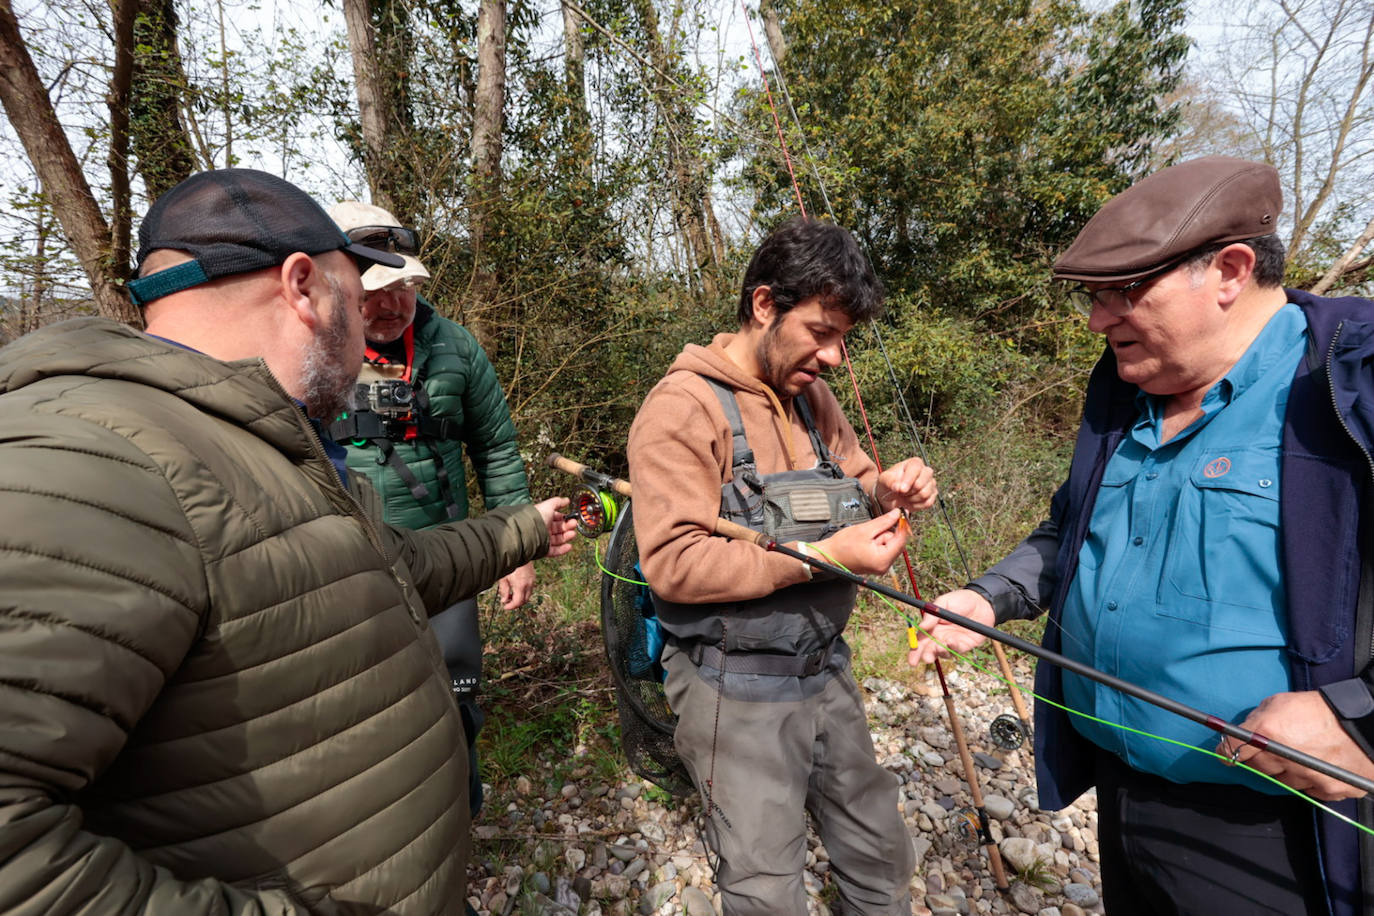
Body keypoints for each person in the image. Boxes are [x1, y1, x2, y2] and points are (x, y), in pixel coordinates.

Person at [0, 168, 576, 913]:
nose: (373, 315)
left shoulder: (253, 438)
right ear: (304, 286)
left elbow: (384, 566)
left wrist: (522, 528)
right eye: (354, 292)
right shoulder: (88, 459)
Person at [911, 155, 1374, 916]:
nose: (1097, 321)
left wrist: (1360, 720)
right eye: (1093, 300)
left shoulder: (1351, 384)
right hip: (1124, 805)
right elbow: (1070, 533)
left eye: (1122, 293)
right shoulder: (1127, 391)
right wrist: (988, 598)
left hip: (1278, 838)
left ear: (1229, 270)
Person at [627, 217, 939, 915]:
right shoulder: (678, 410)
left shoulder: (812, 397)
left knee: (881, 851)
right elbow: (674, 564)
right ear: (765, 305)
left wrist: (886, 490)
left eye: (843, 340)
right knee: (766, 885)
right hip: (731, 689)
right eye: (821, 333)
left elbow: (854, 479)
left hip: (824, 666)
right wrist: (823, 557)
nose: (833, 357)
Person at [326, 201, 534, 817]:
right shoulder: (311, 353)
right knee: (361, 700)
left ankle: (459, 816)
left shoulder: (456, 348)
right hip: (346, 562)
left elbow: (496, 446)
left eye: (402, 289)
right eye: (372, 292)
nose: (389, 304)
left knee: (457, 692)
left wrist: (516, 550)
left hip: (448, 558)